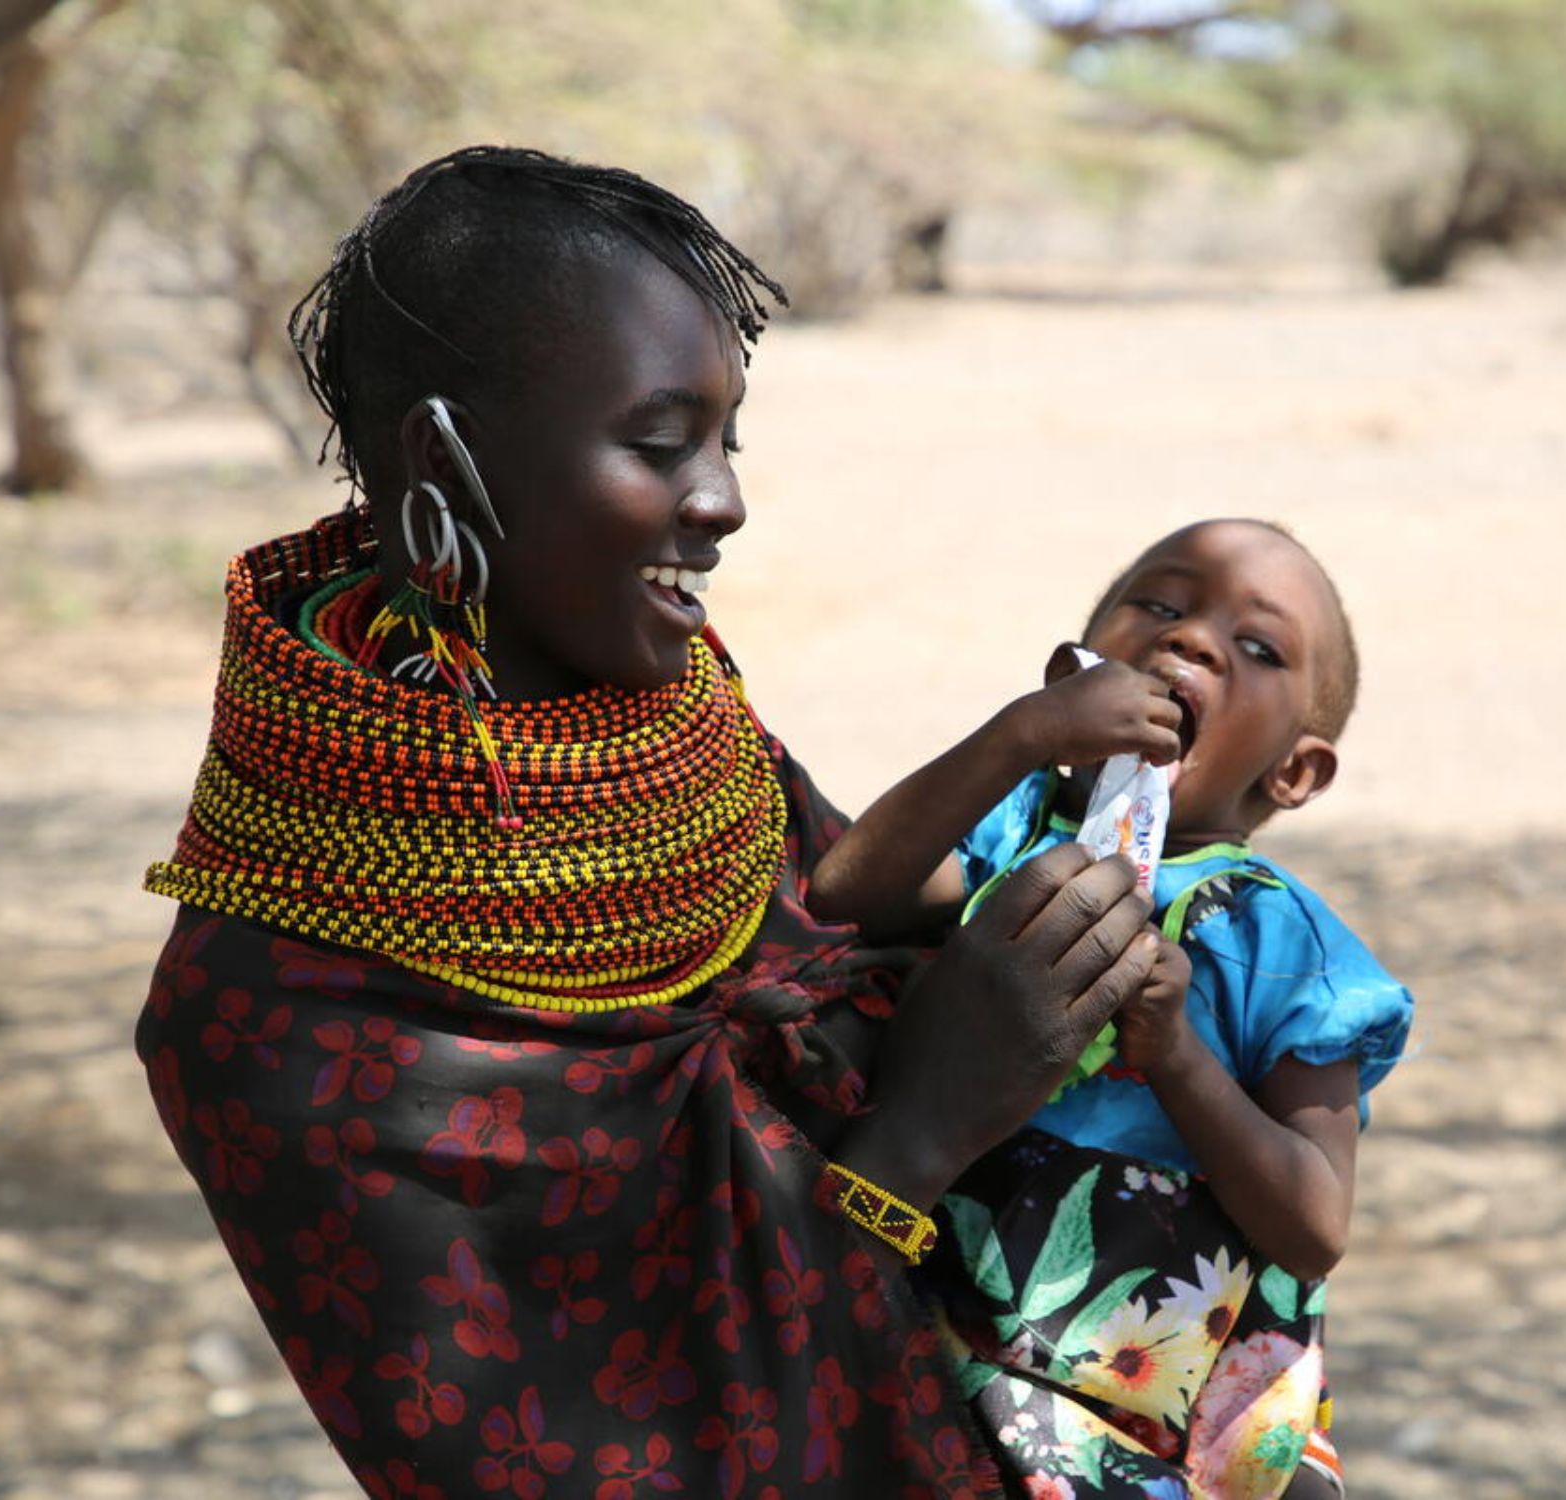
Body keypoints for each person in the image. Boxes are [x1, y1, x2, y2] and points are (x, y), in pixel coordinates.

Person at [134, 145, 1169, 1500]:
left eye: (726, 438)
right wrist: (919, 1130)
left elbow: (853, 912)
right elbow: (598, 1462)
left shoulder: (673, 721)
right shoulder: (274, 1023)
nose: (725, 500)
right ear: (445, 457)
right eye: (657, 438)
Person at [807, 519, 1414, 1498]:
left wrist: (1175, 1056)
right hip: (942, 1343)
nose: (1190, 642)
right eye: (1159, 607)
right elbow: (843, 894)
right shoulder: (1010, 831)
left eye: (1255, 649)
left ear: (1292, 771)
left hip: (1142, 1393)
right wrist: (1016, 736)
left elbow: (1313, 1226)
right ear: (1075, 666)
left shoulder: (1287, 952)